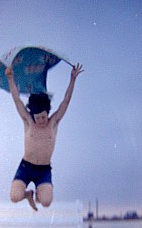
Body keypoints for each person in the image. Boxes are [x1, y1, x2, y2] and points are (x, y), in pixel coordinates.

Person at [5, 63, 84, 211]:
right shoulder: (28, 121)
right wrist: (10, 78)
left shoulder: (53, 122)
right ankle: (27, 194)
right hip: (26, 166)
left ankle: (35, 196)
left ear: (47, 113)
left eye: (43, 117)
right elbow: (17, 100)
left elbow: (65, 102)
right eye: (38, 118)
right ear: (32, 116)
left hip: (44, 169)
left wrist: (72, 79)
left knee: (46, 202)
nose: (41, 121)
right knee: (14, 197)